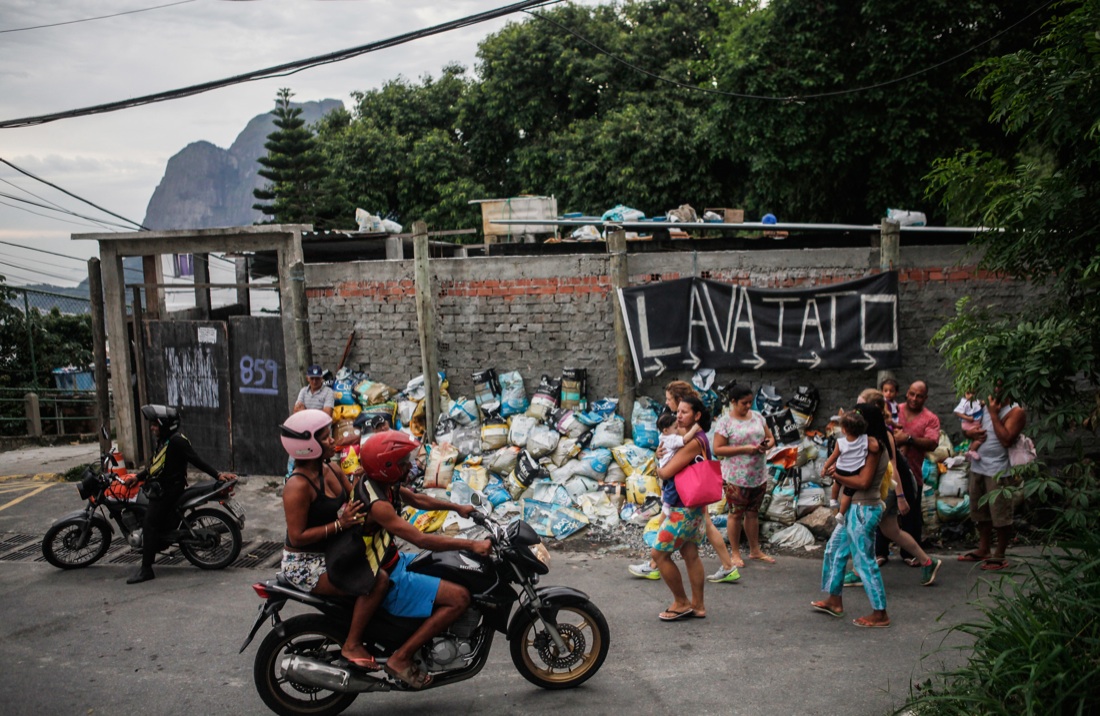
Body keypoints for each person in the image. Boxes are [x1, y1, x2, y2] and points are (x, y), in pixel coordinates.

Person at [357, 429, 492, 688]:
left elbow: (418, 499)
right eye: (402, 463)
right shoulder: (379, 506)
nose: (409, 466)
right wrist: (472, 544)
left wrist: (457, 507)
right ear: (386, 467)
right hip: (383, 572)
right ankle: (401, 657)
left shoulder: (380, 484)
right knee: (459, 598)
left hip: (391, 560)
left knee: (448, 565)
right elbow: (422, 539)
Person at [279, 409, 387, 670]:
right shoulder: (297, 486)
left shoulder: (332, 468)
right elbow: (297, 537)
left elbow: (356, 501)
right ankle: (352, 644)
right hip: (305, 563)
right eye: (326, 437)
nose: (332, 441)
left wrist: (367, 480)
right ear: (308, 445)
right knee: (378, 581)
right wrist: (340, 524)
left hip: (332, 549)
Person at [629, 380, 740, 583]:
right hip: (691, 490)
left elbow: (667, 471)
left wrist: (658, 467)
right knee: (696, 540)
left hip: (687, 492)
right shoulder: (690, 431)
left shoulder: (691, 437)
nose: (668, 404)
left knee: (674, 532)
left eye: (670, 400)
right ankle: (727, 566)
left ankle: (655, 564)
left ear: (682, 403)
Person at [123, 404, 235, 584]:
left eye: (155, 424)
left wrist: (217, 474)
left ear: (165, 425)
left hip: (168, 491)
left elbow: (196, 460)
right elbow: (154, 466)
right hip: (162, 487)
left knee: (149, 524)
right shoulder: (164, 440)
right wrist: (137, 477)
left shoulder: (177, 442)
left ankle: (146, 569)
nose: (152, 428)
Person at [812, 403, 891, 628]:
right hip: (852, 509)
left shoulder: (874, 447)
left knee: (864, 560)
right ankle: (834, 600)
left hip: (864, 509)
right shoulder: (859, 444)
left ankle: (880, 613)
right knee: (834, 551)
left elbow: (863, 482)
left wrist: (836, 475)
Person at [855, 389, 943, 586]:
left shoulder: (883, 434)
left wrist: (901, 497)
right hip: (884, 488)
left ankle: (859, 572)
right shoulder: (869, 432)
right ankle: (927, 562)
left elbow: (893, 467)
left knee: (863, 528)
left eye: (861, 407)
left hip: (888, 489)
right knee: (891, 531)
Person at [652, 395, 713, 620]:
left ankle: (681, 602)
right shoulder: (695, 437)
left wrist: (657, 468)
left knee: (658, 554)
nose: (678, 416)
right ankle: (698, 605)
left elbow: (667, 472)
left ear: (697, 415)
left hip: (681, 508)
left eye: (684, 412)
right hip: (693, 506)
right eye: (678, 411)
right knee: (690, 553)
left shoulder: (693, 441)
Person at [958, 392, 1026, 571]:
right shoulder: (982, 405)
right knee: (979, 511)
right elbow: (967, 426)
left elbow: (1006, 440)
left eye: (999, 385)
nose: (994, 390)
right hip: (978, 465)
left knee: (1000, 513)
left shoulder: (1016, 411)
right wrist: (969, 433)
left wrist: (994, 414)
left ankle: (1000, 554)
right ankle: (984, 549)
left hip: (999, 470)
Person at [712, 383, 776, 568]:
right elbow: (718, 449)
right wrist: (745, 449)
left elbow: (771, 438)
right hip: (735, 477)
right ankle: (735, 553)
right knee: (735, 514)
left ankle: (755, 550)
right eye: (744, 403)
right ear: (733, 402)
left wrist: (766, 444)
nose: (748, 406)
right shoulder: (725, 422)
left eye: (750, 402)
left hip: (758, 474)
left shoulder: (758, 417)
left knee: (753, 513)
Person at [893, 380, 941, 565]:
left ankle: (910, 554)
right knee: (883, 514)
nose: (914, 398)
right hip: (888, 473)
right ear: (907, 393)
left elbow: (932, 443)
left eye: (919, 396)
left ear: (925, 398)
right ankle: (879, 552)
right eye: (912, 394)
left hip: (912, 474)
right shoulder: (894, 410)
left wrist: (908, 439)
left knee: (911, 516)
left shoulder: (930, 418)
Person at [824, 410, 868, 526]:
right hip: (853, 472)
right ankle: (841, 514)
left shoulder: (840, 442)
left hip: (840, 469)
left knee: (837, 483)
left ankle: (833, 500)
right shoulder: (864, 439)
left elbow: (833, 456)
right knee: (847, 493)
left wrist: (825, 468)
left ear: (843, 430)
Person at [953, 391, 986, 461]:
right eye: (968, 393)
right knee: (980, 437)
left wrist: (984, 403)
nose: (971, 395)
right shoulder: (964, 402)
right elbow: (957, 412)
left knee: (975, 438)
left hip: (975, 423)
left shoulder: (975, 401)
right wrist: (967, 418)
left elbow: (980, 403)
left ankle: (969, 450)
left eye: (973, 393)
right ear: (964, 394)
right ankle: (972, 450)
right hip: (969, 424)